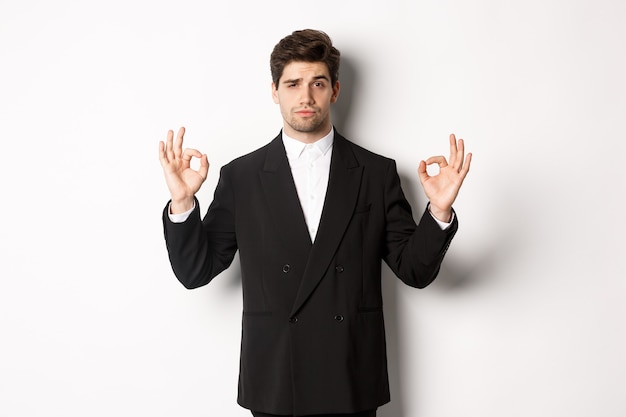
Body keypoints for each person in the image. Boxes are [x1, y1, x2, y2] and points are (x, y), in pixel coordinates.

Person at [159, 29, 471, 417]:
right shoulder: (241, 177)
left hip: (350, 378)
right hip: (275, 380)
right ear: (274, 91)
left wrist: (438, 211)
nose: (305, 97)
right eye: (292, 84)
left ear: (335, 90)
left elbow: (414, 271)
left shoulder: (375, 173)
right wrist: (183, 202)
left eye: (317, 83)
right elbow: (195, 271)